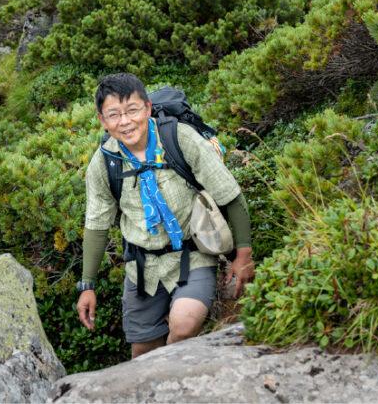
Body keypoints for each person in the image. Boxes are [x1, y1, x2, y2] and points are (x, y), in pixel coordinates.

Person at [76, 72, 254, 358]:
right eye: (114, 114)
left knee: (183, 326)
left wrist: (243, 255)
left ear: (147, 108)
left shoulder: (178, 138)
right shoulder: (104, 162)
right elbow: (96, 226)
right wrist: (87, 285)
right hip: (141, 269)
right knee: (142, 353)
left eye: (132, 110)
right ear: (103, 120)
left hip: (193, 256)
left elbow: (229, 194)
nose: (125, 121)